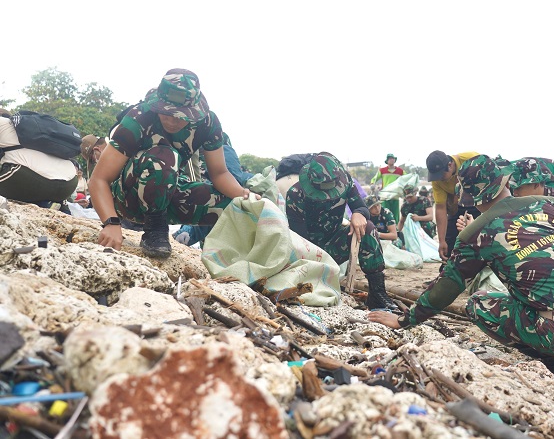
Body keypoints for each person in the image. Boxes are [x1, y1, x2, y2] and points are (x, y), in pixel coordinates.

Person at [370, 154, 554, 380]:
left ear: (470, 198)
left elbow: (447, 286)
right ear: (505, 182)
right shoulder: (550, 205)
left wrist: (404, 320)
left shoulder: (477, 233)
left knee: (479, 303)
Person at [89, 68, 252, 259]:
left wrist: (243, 195)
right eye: (166, 112)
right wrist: (111, 223)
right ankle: (155, 230)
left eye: (181, 115)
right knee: (165, 155)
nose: (173, 120)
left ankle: (232, 256)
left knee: (233, 205)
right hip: (127, 197)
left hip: (167, 195)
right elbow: (99, 179)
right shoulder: (139, 117)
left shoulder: (207, 123)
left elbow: (219, 174)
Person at [286, 152, 397, 311]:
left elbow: (361, 207)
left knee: (369, 229)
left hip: (335, 244)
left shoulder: (346, 183)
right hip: (309, 251)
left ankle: (377, 293)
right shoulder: (296, 194)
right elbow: (299, 239)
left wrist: (359, 214)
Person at [423, 150, 481, 286]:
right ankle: (445, 278)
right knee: (450, 240)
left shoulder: (471, 158)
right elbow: (441, 208)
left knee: (479, 237)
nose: (439, 179)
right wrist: (441, 241)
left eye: (442, 175)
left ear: (450, 165)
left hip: (480, 201)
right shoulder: (437, 180)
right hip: (457, 204)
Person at [0, 109, 77, 208]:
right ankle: (51, 205)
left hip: (29, 180)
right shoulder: (32, 130)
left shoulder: (3, 123)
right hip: (69, 184)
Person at [370, 153, 404, 222]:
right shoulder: (382, 170)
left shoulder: (400, 171)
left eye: (392, 158)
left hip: (395, 195)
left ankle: (396, 228)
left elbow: (407, 178)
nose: (391, 160)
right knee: (385, 212)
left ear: (395, 160)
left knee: (395, 213)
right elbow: (374, 179)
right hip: (385, 196)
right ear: (387, 161)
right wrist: (373, 184)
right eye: (390, 159)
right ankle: (386, 227)